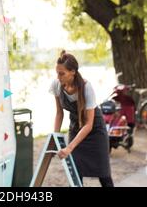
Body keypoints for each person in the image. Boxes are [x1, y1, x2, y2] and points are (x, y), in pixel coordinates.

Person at [49, 50, 114, 187]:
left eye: (62, 73)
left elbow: (89, 124)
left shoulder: (86, 87)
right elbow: (59, 113)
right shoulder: (56, 85)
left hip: (95, 130)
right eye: (57, 73)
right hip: (76, 127)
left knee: (103, 174)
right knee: (75, 172)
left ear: (72, 72)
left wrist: (69, 148)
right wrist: (55, 137)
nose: (59, 77)